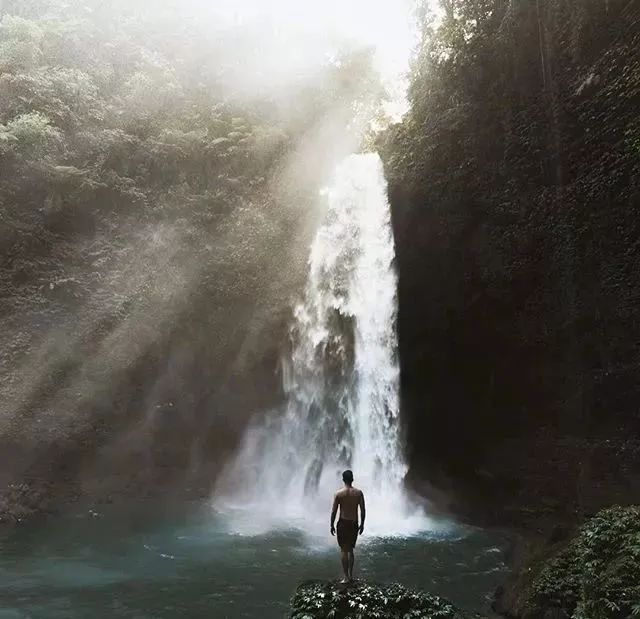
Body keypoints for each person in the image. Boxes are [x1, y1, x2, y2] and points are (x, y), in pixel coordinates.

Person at [330, 470, 366, 583]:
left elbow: (334, 511)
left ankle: (346, 577)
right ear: (352, 479)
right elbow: (363, 510)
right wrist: (362, 524)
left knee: (344, 550)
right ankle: (351, 575)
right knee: (351, 550)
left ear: (343, 479)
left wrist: (331, 524)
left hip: (343, 523)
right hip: (353, 523)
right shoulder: (359, 493)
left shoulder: (338, 494)